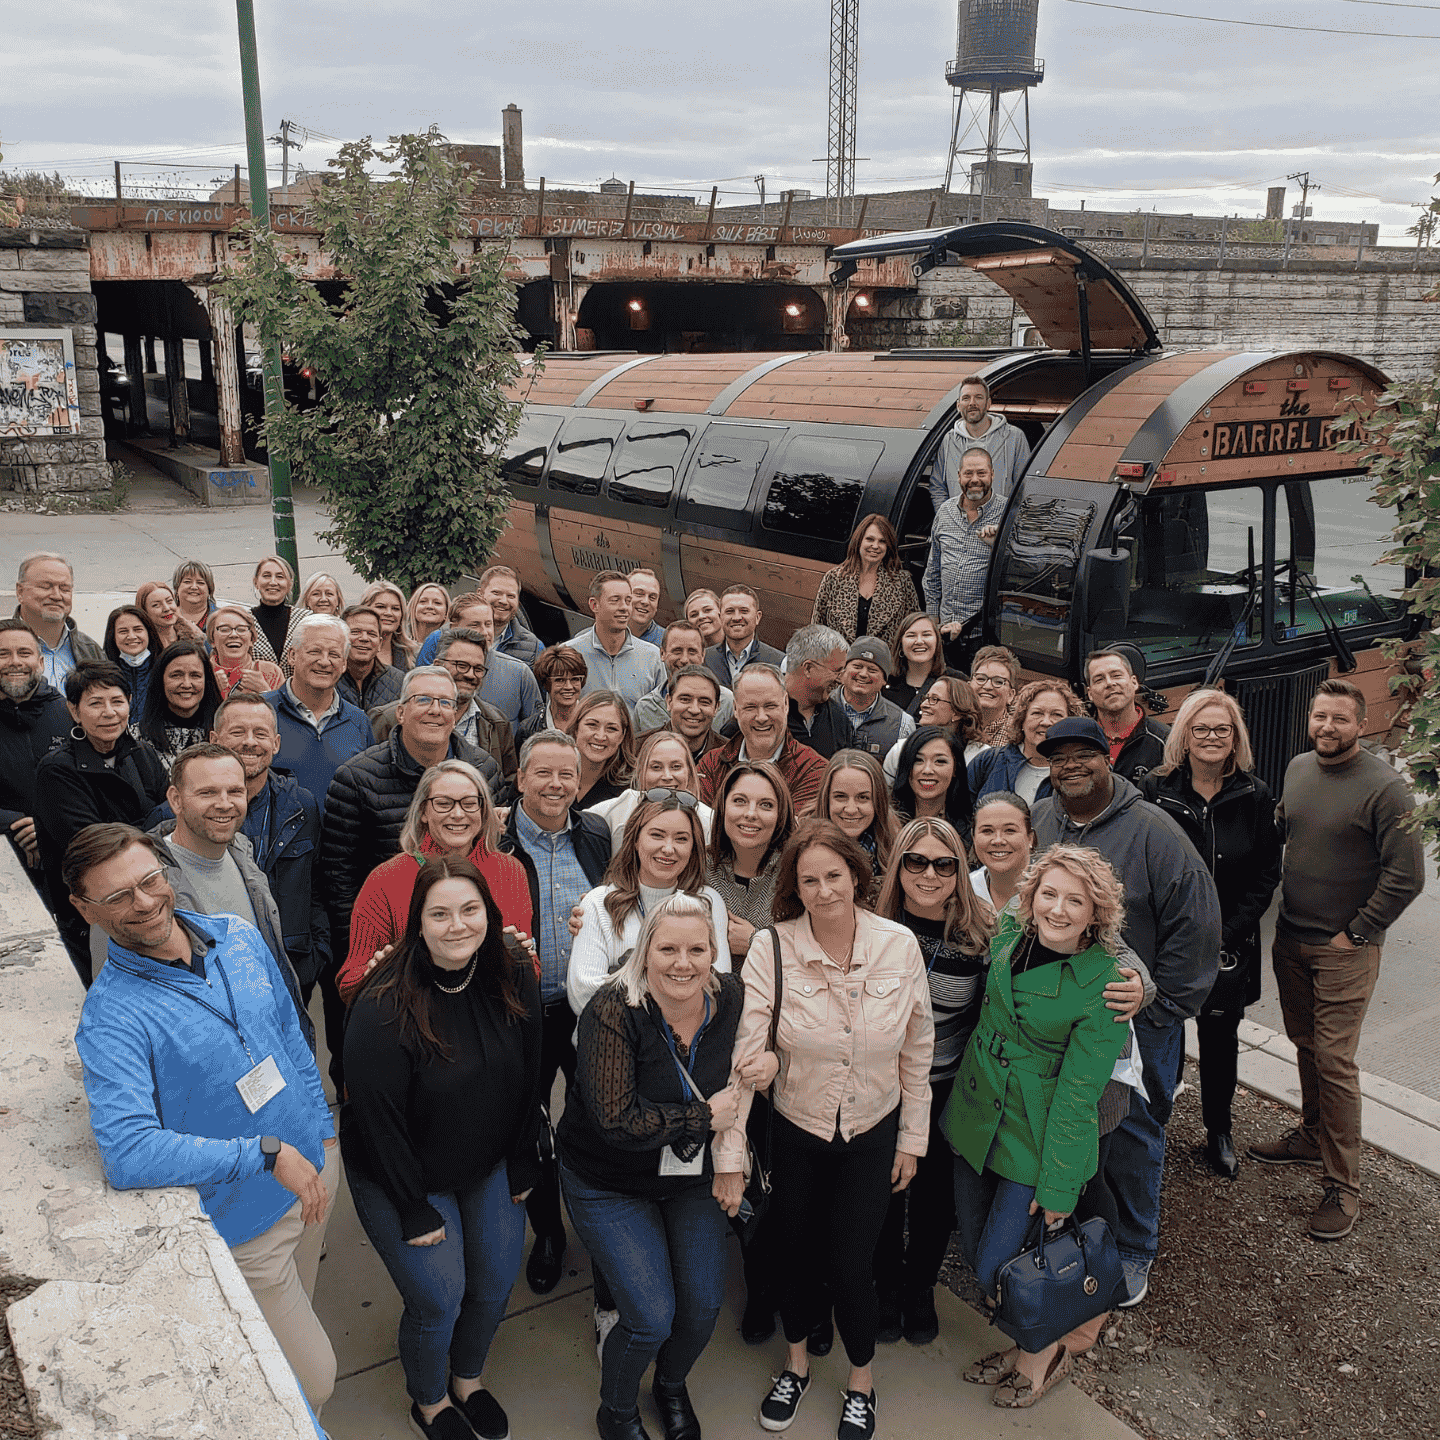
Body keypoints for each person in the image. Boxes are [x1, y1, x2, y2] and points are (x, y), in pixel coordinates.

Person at [71, 824, 338, 1414]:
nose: (143, 902)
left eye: (148, 880)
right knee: (312, 1380)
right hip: (245, 1226)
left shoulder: (237, 937)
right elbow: (128, 1152)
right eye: (117, 896)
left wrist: (322, 1129)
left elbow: (288, 1033)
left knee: (291, 1344)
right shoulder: (112, 1018)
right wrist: (264, 1153)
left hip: (315, 1175)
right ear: (84, 910)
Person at [715, 821, 934, 1440]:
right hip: (797, 1126)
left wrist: (912, 1139)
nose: (822, 890)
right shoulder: (772, 948)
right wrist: (731, 1153)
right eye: (808, 880)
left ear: (857, 877)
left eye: (833, 876)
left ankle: (861, 1383)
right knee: (793, 1250)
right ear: (794, 887)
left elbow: (917, 1050)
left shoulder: (898, 945)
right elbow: (746, 1055)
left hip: (873, 1128)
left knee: (851, 1260)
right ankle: (796, 1365)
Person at [343, 857, 542, 1440]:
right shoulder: (383, 1003)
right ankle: (429, 1400)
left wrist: (526, 1154)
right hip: (402, 1171)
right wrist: (412, 1207)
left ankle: (467, 1380)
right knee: (438, 1296)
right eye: (440, 913)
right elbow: (376, 1121)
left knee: (497, 1277)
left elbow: (530, 1075)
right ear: (417, 923)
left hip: (486, 1155)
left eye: (470, 910)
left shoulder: (513, 970)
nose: (457, 925)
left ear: (489, 912)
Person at [1032, 715, 1221, 1305]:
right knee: (1068, 1123)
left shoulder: (1153, 832)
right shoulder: (1042, 820)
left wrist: (1162, 1004)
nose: (1072, 765)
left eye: (1083, 754)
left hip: (1136, 1019)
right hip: (1059, 1011)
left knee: (1136, 1133)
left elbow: (1197, 924)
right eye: (1059, 757)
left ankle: (1136, 1247)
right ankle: (1069, 1230)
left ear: (1105, 757)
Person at [941, 844, 1131, 1410]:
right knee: (979, 1256)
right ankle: (1027, 1338)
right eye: (1049, 893)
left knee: (1006, 1259)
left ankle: (1041, 1355)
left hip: (1036, 1132)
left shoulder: (1105, 985)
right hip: (977, 1115)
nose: (1059, 909)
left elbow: (1078, 1098)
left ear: (1096, 914)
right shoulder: (1008, 934)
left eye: (1076, 900)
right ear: (1031, 896)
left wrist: (1058, 1189)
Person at [559, 894, 749, 1440]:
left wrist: (772, 1057)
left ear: (714, 952)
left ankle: (669, 1385)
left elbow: (776, 1037)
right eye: (667, 948)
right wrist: (702, 1116)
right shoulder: (613, 1009)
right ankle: (616, 1410)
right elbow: (616, 1121)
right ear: (644, 953)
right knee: (648, 1317)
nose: (682, 963)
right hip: (609, 1181)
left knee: (704, 1306)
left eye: (696, 949)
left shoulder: (731, 999)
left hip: (687, 1177)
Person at [1247, 678, 1424, 1239]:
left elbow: (1407, 876)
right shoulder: (1299, 768)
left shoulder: (1386, 789)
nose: (1327, 728)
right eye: (1320, 717)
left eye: (1340, 719)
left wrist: (1358, 933)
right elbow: (1284, 832)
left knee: (1336, 1063)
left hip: (1344, 951)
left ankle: (1344, 1187)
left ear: (1360, 723)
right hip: (1292, 940)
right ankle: (1310, 1133)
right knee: (1306, 1045)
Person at [1140, 689, 1282, 1180]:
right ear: (1184, 734)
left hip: (1228, 944)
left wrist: (1229, 930)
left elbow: (1267, 872)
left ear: (1236, 736)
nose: (1211, 738)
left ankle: (1218, 1130)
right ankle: (1152, 1121)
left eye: (1222, 729)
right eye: (1201, 728)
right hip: (1168, 943)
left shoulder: (1256, 795)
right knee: (1162, 1033)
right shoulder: (1159, 790)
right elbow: (1146, 864)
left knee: (1221, 1040)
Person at [495, 730, 613, 1296]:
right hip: (522, 1007)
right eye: (544, 773)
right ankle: (547, 1232)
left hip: (586, 1008)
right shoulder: (493, 842)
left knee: (597, 1112)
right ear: (520, 778)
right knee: (533, 1121)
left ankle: (605, 1225)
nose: (557, 785)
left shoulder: (595, 834)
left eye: (567, 775)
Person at [872, 816, 993, 1344]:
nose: (928, 874)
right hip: (881, 1086)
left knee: (932, 1198)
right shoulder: (870, 927)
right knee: (882, 1193)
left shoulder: (982, 934)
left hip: (945, 1085)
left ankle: (919, 1286)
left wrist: (1135, 982)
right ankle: (884, 1286)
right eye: (915, 861)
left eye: (944, 864)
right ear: (897, 866)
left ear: (960, 871)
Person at [322, 667, 503, 997]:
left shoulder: (484, 769)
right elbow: (338, 878)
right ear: (400, 712)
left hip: (467, 947)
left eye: (446, 702)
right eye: (424, 700)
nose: (436, 710)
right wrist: (368, 951)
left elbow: (490, 855)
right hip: (386, 954)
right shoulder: (356, 778)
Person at [122, 744, 309, 1042]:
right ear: (176, 800)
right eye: (207, 793)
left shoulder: (243, 856)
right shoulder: (143, 883)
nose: (224, 804)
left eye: (235, 792)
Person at [338, 759, 533, 1000]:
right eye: (443, 804)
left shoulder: (510, 872)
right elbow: (349, 984)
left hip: (491, 1019)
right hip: (413, 1020)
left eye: (470, 803)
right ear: (423, 812)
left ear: (483, 812)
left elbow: (531, 971)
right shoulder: (387, 879)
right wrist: (374, 973)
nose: (458, 814)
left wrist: (518, 958)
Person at [35, 662, 169, 980]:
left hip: (147, 902)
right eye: (95, 703)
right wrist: (152, 825)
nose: (109, 712)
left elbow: (174, 816)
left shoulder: (142, 754)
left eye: (117, 701)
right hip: (95, 916)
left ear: (130, 703)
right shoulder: (57, 770)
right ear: (74, 710)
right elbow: (94, 848)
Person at [210, 693, 330, 1005]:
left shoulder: (302, 806)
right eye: (237, 732)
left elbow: (317, 885)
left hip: (289, 972)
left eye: (260, 733)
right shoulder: (181, 813)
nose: (250, 742)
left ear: (275, 744)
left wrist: (314, 957)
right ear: (214, 739)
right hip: (216, 976)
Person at [567, 792, 731, 1018]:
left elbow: (716, 989)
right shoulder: (599, 903)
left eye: (681, 839)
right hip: (613, 1046)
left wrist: (621, 973)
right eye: (657, 835)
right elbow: (583, 994)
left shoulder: (708, 903)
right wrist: (677, 988)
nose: (668, 848)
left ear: (694, 847)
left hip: (682, 1048)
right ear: (635, 839)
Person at [266, 614, 375, 820]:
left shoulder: (358, 721)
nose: (324, 661)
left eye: (334, 654)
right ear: (292, 655)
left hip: (339, 846)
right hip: (276, 849)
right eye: (314, 651)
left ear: (343, 664)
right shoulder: (260, 711)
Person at [697, 665, 828, 816]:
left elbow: (795, 835)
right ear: (735, 709)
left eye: (770, 706)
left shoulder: (813, 770)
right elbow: (702, 828)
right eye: (750, 707)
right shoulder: (711, 765)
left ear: (786, 704)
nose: (761, 717)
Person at [923, 446, 1005, 672]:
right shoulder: (945, 511)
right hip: (946, 634)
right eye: (968, 473)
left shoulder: (1008, 513)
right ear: (958, 476)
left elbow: (1024, 572)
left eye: (981, 473)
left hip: (985, 638)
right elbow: (932, 573)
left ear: (992, 474)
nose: (975, 480)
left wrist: (997, 548)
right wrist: (933, 622)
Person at [0, 619, 70, 880]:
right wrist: (19, 826)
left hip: (67, 861)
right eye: (3, 654)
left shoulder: (68, 714)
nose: (14, 662)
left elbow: (91, 785)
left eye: (24, 653)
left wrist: (47, 827)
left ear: (40, 663)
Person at [706, 760, 796, 963]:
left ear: (780, 815)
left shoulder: (796, 873)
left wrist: (755, 941)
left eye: (766, 805)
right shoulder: (699, 868)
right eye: (739, 801)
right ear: (723, 806)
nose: (750, 814)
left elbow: (817, 951)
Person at [810, 514, 921, 654]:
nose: (875, 546)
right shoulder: (834, 578)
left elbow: (915, 627)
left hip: (882, 668)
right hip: (839, 666)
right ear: (859, 541)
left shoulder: (902, 582)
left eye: (882, 541)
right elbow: (817, 627)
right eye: (870, 539)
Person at [585, 730, 717, 848]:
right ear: (641, 771)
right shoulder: (618, 810)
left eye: (676, 767)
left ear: (689, 771)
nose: (667, 776)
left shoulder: (708, 820)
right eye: (656, 767)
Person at [968, 679, 1085, 805]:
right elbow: (960, 813)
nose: (1046, 722)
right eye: (1037, 713)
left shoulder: (1078, 771)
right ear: (1022, 719)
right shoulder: (988, 761)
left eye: (1057, 714)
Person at [571, 572, 666, 712]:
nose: (624, 608)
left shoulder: (653, 657)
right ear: (594, 605)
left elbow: (662, 715)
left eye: (628, 601)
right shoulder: (572, 653)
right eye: (615, 600)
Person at [929, 374, 1029, 506]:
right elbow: (937, 486)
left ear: (988, 403)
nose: (972, 403)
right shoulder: (949, 440)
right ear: (958, 405)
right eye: (966, 398)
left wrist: (1006, 524)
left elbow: (1025, 488)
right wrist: (947, 519)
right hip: (958, 525)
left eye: (978, 397)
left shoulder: (1014, 437)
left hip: (998, 524)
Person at [14, 551, 103, 687]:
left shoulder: (90, 650)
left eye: (64, 589)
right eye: (45, 586)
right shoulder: (3, 645)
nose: (56, 595)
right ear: (20, 592)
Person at [633, 622, 736, 736]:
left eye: (692, 651)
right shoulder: (646, 707)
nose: (684, 659)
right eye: (677, 651)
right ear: (662, 653)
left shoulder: (726, 701)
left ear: (703, 655)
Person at [137, 641, 223, 770]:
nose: (187, 684)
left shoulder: (223, 735)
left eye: (195, 675)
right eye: (176, 675)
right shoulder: (137, 739)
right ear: (161, 680)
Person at [1084, 649, 1168, 781]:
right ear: (1090, 694)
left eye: (1116, 675)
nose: (1110, 683)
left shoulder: (1165, 741)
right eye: (1099, 679)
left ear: (1134, 682)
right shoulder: (1080, 739)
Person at [884, 676, 983, 787]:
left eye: (934, 700)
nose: (923, 705)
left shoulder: (980, 756)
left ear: (957, 712)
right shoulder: (901, 750)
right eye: (926, 698)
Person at [815, 749, 900, 877]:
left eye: (863, 798)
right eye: (840, 796)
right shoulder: (800, 846)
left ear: (878, 801)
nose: (851, 810)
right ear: (826, 799)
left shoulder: (898, 848)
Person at [784, 624, 857, 760]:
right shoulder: (764, 710)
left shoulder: (839, 720)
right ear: (808, 668)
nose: (841, 680)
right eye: (836, 671)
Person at [838, 639, 914, 762]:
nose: (863, 674)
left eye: (872, 670)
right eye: (857, 666)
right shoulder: (818, 708)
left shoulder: (902, 723)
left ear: (884, 680)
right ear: (843, 670)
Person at [891, 726, 973, 838]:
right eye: (918, 760)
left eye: (940, 761)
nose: (927, 770)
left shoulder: (973, 828)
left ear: (956, 768)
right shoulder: (884, 821)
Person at [704, 583, 784, 691]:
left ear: (757, 617)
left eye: (744, 611)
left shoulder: (778, 662)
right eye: (730, 611)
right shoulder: (704, 660)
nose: (737, 617)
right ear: (720, 617)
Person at [970, 791, 1036, 913]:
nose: (998, 840)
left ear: (1030, 838)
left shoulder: (1051, 889)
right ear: (973, 838)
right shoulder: (965, 891)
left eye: (1010, 830)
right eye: (987, 831)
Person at [570, 689, 637, 809]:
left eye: (611, 728)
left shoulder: (631, 791)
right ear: (576, 728)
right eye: (592, 725)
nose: (600, 736)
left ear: (623, 735)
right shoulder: (552, 775)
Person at [880, 612, 952, 719]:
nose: (919, 641)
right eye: (911, 635)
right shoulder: (883, 683)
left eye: (926, 634)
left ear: (937, 641)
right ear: (900, 644)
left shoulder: (955, 682)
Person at [335, 603, 404, 713]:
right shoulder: (328, 677)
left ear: (380, 643)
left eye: (372, 634)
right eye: (355, 632)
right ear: (340, 638)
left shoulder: (399, 681)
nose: (364, 638)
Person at [657, 664, 730, 765]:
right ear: (669, 702)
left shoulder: (731, 755)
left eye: (704, 702)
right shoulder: (639, 749)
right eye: (685, 699)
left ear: (716, 707)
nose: (694, 710)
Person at [206, 606, 284, 698]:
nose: (234, 635)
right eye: (224, 629)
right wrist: (213, 692)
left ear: (252, 639)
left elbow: (285, 711)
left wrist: (265, 692)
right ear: (212, 641)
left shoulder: (271, 672)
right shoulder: (202, 672)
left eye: (242, 629)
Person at [478, 564, 544, 667]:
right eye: (496, 593)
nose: (504, 601)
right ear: (480, 594)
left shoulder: (534, 648)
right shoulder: (451, 634)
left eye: (511, 596)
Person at [102, 604, 161, 717]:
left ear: (149, 632)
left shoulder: (165, 671)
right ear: (113, 636)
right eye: (123, 631)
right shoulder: (103, 677)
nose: (132, 636)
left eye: (138, 629)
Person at [527, 643, 588, 741]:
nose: (568, 686)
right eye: (560, 680)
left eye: (575, 679)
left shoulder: (595, 724)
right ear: (546, 683)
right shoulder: (528, 730)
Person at [249, 555, 298, 665]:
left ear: (290, 584)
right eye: (266, 576)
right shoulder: (243, 620)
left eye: (280, 577)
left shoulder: (304, 620)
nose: (273, 582)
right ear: (256, 582)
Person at [970, 645, 1021, 747]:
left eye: (998, 681)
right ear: (968, 686)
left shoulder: (1015, 737)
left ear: (1011, 695)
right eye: (980, 679)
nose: (988, 686)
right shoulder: (954, 723)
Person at [135, 580, 202, 652]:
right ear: (144, 612)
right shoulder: (140, 646)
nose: (166, 608)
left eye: (169, 601)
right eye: (156, 605)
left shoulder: (196, 639)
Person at [172, 558, 220, 631]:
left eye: (200, 583)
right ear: (177, 587)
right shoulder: (164, 619)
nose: (194, 587)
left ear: (209, 589)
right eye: (187, 582)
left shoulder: (223, 619)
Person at [625, 567, 666, 647]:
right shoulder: (601, 636)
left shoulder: (667, 642)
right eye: (639, 594)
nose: (646, 601)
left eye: (652, 597)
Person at [406, 582, 452, 653]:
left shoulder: (451, 647)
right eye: (423, 601)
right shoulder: (397, 642)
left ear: (446, 612)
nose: (429, 606)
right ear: (413, 608)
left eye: (437, 603)